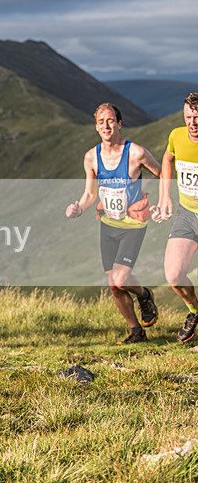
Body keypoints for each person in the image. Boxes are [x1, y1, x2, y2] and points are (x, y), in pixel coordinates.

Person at [65, 103, 161, 343]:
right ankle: (136, 331)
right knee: (114, 285)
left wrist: (164, 202)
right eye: (101, 122)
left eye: (110, 120)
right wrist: (78, 208)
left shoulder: (136, 153)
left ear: (120, 123)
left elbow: (163, 174)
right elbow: (90, 194)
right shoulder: (91, 157)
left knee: (120, 279)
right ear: (96, 127)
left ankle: (144, 294)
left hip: (134, 225)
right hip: (108, 225)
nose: (106, 126)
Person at [152, 92, 198, 342]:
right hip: (188, 215)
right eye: (189, 117)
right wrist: (165, 197)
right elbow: (168, 159)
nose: (193, 123)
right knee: (173, 274)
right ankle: (194, 311)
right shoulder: (176, 136)